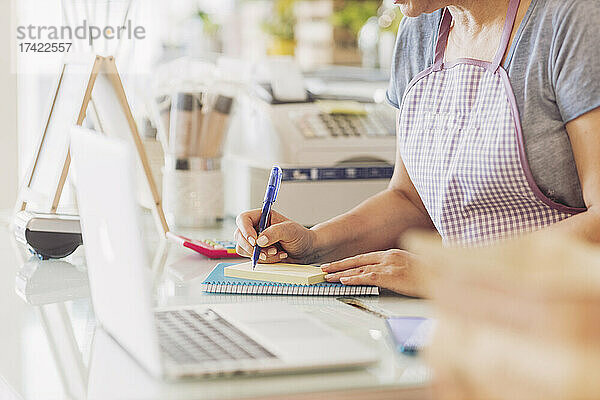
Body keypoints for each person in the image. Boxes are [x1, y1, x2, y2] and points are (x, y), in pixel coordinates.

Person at [234, 0, 600, 297]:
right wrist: (313, 242)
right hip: (467, 312)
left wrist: (450, 270)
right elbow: (410, 201)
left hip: (565, 317)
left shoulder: (570, 21)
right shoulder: (419, 33)